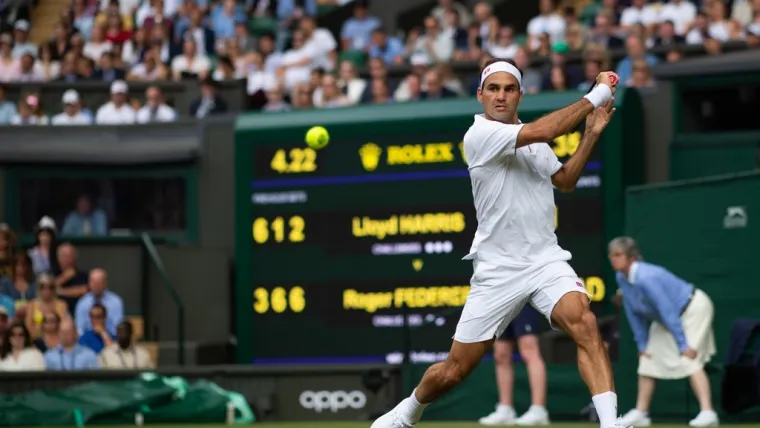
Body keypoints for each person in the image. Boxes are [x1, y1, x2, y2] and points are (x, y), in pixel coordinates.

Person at [372, 59, 622, 428]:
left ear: (520, 94)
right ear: (480, 95)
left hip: (544, 260)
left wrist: (591, 134)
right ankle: (406, 412)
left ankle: (611, 424)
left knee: (584, 322)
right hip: (497, 269)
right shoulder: (480, 135)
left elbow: (566, 181)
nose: (501, 96)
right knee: (455, 370)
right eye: (493, 89)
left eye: (509, 89)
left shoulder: (534, 139)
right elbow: (543, 131)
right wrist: (598, 93)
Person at [609, 237, 718, 428]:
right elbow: (633, 312)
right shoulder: (621, 278)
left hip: (693, 309)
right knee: (648, 358)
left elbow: (667, 309)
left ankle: (708, 412)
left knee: (689, 358)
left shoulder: (646, 277)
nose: (613, 259)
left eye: (618, 255)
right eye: (611, 255)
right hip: (668, 318)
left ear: (631, 258)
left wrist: (682, 344)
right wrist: (642, 344)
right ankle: (641, 413)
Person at [479, 307, 549, 425]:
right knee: (501, 354)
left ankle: (539, 410)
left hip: (524, 298)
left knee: (529, 350)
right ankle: (505, 410)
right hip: (501, 301)